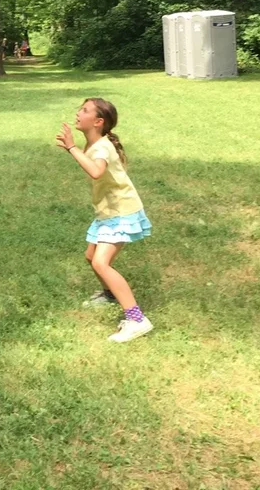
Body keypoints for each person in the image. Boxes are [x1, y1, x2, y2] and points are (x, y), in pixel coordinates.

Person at [56, 98, 154, 342]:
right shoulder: (98, 143)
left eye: (85, 110)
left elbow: (96, 171)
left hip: (121, 213)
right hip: (108, 212)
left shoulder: (101, 147)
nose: (79, 112)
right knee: (91, 257)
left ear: (98, 122)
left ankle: (136, 319)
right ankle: (111, 294)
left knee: (101, 263)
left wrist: (71, 148)